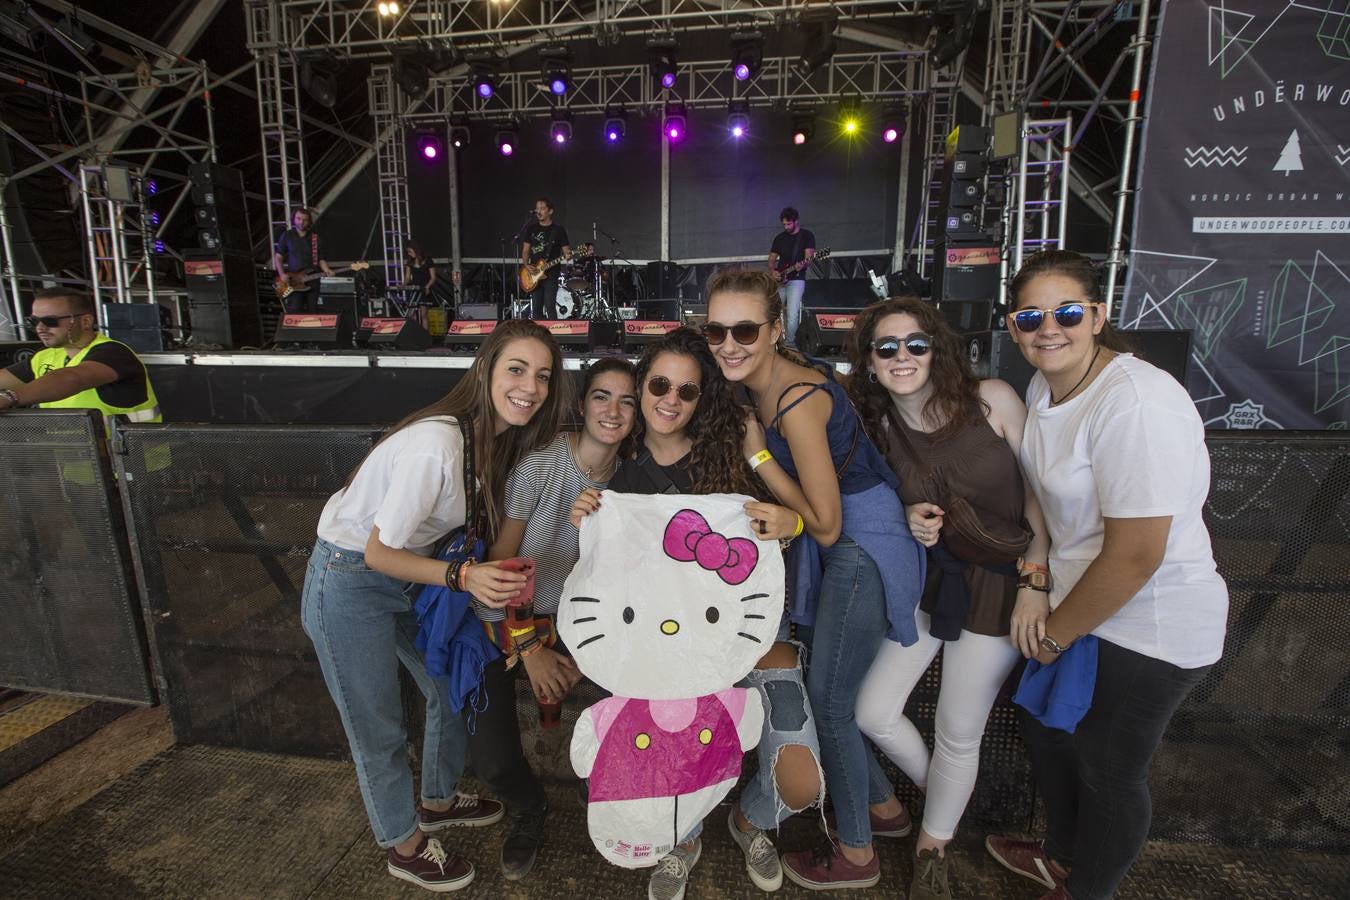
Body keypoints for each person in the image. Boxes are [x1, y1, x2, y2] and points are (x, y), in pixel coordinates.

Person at [983, 250, 1228, 900]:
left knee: (1108, 764)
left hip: (1150, 624)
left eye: (1066, 312)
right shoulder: (1044, 385)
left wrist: (1056, 632)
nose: (1048, 328)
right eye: (1031, 316)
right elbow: (1040, 498)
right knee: (1047, 732)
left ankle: (1086, 887)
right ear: (1013, 326)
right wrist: (1035, 579)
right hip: (1081, 605)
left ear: (1096, 314)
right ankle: (1060, 854)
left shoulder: (1138, 403)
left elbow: (1137, 554)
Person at [300, 319, 566, 892]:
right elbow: (377, 552)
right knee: (377, 726)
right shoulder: (438, 443)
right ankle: (403, 842)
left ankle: (437, 803)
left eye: (543, 376)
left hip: (410, 579)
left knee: (450, 688)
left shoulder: (494, 440)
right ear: (486, 370)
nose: (531, 386)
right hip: (350, 578)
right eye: (516, 370)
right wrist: (464, 576)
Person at [570, 328, 824, 900]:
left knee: (800, 782)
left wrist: (792, 524)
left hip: (750, 644)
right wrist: (587, 521)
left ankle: (749, 821)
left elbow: (801, 519)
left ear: (701, 400)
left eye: (687, 391)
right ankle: (682, 838)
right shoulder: (622, 485)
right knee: (661, 742)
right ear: (641, 386)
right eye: (660, 384)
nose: (671, 399)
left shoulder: (733, 460)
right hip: (668, 658)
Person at [703, 270, 925, 891]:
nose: (728, 343)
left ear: (775, 331)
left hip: (864, 546)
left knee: (828, 703)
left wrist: (757, 455)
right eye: (716, 330)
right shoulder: (767, 386)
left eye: (744, 329)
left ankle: (857, 856)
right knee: (835, 696)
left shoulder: (797, 400)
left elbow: (824, 526)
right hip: (852, 543)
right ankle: (883, 811)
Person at [845, 298, 1051, 900]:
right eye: (886, 347)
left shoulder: (994, 401)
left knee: (960, 731)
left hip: (1005, 582)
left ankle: (933, 848)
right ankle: (950, 799)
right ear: (870, 360)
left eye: (915, 344)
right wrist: (909, 513)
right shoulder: (879, 425)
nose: (902, 356)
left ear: (937, 349)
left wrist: (1035, 581)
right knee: (872, 711)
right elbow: (881, 498)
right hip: (933, 578)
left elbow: (1043, 498)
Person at [469, 358, 638, 879]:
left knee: (633, 719)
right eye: (602, 397)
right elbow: (494, 577)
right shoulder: (540, 464)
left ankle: (619, 808)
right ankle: (528, 805)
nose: (613, 411)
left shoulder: (635, 476)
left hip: (599, 621)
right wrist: (531, 650)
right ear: (581, 403)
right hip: (515, 616)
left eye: (627, 401)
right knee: (490, 758)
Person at [0, 288, 160, 423]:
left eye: (50, 321)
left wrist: (10, 397)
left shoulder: (113, 353)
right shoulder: (43, 357)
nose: (40, 328)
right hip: (73, 457)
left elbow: (73, 378)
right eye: (34, 321)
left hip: (128, 458)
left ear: (85, 321)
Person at [766, 207, 816, 348]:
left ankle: (790, 344)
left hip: (797, 280)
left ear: (796, 221)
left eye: (789, 224)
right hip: (780, 279)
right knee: (773, 310)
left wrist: (803, 264)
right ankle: (774, 341)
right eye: (784, 225)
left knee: (792, 313)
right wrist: (773, 270)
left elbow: (809, 259)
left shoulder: (806, 236)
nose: (786, 227)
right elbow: (771, 259)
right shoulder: (779, 238)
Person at [273, 206, 334, 314]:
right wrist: (282, 274)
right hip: (294, 280)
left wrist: (327, 270)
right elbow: (278, 256)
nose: (301, 222)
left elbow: (321, 258)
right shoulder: (287, 235)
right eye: (298, 218)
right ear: (294, 219)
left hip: (313, 279)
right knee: (295, 310)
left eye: (305, 220)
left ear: (309, 221)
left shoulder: (315, 238)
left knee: (313, 311)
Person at [521, 197, 571, 321]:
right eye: (537, 208)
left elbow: (567, 252)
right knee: (536, 308)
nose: (539, 211)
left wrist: (569, 255)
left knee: (550, 305)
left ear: (550, 211)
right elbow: (525, 251)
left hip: (551, 273)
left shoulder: (558, 230)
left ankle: (554, 335)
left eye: (542, 208)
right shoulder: (531, 229)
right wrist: (527, 266)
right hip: (533, 273)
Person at [403, 242, 440, 306]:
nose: (409, 254)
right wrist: (403, 285)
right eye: (408, 252)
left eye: (410, 251)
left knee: (423, 314)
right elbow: (407, 277)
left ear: (415, 250)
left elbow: (433, 277)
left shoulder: (428, 260)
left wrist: (427, 287)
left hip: (425, 288)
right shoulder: (409, 262)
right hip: (414, 290)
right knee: (412, 312)